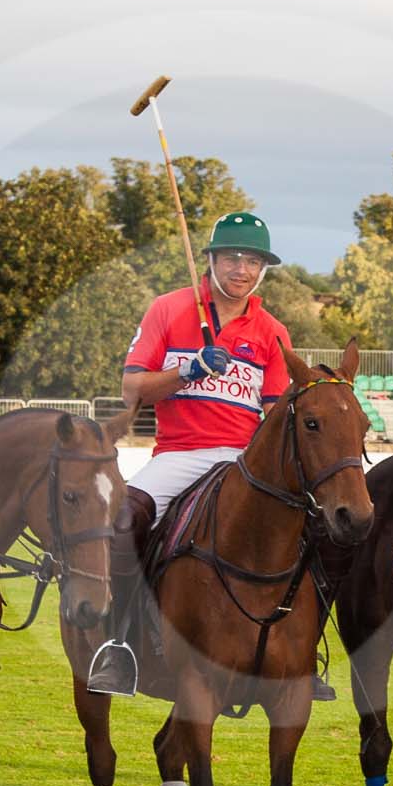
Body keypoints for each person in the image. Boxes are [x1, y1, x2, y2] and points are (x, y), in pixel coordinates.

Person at [85, 211, 321, 697]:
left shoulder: (272, 331)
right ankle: (119, 644)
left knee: (316, 526)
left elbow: (276, 414)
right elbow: (133, 387)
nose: (242, 270)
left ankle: (305, 652)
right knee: (124, 518)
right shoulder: (169, 310)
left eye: (254, 261)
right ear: (210, 259)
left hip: (243, 459)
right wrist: (188, 370)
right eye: (233, 257)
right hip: (180, 453)